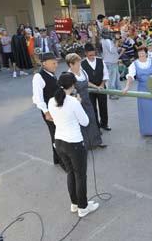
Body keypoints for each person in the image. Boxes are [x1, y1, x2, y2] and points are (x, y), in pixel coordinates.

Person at [48, 72, 100, 218]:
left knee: (70, 173)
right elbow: (85, 121)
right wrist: (77, 101)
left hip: (59, 142)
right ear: (72, 85)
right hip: (74, 144)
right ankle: (83, 207)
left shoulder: (51, 101)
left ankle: (75, 203)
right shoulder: (73, 102)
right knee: (80, 175)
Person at [122, 47, 152, 136]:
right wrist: (127, 87)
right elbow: (130, 76)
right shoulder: (134, 64)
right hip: (142, 89)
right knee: (146, 109)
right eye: (139, 53)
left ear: (146, 53)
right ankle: (148, 130)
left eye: (143, 52)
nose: (141, 54)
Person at [66, 53, 107, 149]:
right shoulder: (69, 75)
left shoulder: (82, 71)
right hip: (78, 102)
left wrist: (97, 87)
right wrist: (75, 98)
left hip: (87, 100)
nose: (79, 64)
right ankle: (85, 145)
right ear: (71, 65)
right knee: (81, 123)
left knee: (92, 120)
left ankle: (96, 142)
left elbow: (87, 82)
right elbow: (68, 91)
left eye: (79, 62)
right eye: (77, 63)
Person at [32, 52, 65, 169]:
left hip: (56, 110)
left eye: (56, 63)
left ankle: (57, 159)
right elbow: (37, 98)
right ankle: (62, 161)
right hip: (49, 112)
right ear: (44, 63)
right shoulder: (38, 77)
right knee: (56, 135)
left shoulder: (51, 73)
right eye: (53, 63)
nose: (56, 65)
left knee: (57, 134)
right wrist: (46, 112)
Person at [81, 43, 111, 131]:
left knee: (103, 106)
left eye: (93, 54)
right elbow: (84, 79)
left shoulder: (100, 61)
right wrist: (94, 87)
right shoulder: (82, 64)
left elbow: (105, 74)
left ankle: (104, 124)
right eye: (90, 55)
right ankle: (96, 126)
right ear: (85, 53)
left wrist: (101, 85)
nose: (92, 57)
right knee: (92, 108)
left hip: (101, 87)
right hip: (90, 89)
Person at [101, 31, 121, 99]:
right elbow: (112, 50)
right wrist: (117, 41)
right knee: (112, 79)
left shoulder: (103, 40)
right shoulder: (108, 41)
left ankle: (118, 91)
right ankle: (112, 94)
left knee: (116, 78)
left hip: (110, 61)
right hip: (111, 62)